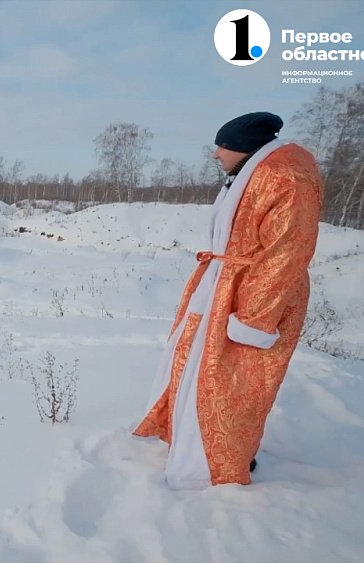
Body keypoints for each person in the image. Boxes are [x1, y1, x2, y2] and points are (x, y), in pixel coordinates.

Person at [133, 112, 323, 489]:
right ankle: (191, 445)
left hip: (253, 301)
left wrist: (254, 319)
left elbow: (286, 253)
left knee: (234, 382)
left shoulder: (286, 177)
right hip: (224, 287)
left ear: (247, 148)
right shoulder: (253, 173)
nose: (216, 153)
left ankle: (219, 462)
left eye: (224, 145)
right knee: (203, 372)